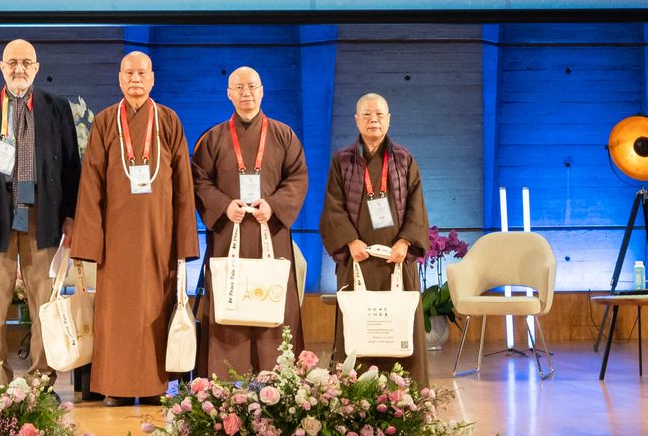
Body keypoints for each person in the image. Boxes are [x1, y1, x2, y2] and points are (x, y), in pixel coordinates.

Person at [69, 50, 199, 404]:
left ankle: (155, 386)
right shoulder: (106, 121)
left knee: (156, 310)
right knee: (116, 312)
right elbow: (91, 182)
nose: (136, 79)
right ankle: (116, 386)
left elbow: (183, 184)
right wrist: (90, 242)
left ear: (152, 78)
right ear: (119, 78)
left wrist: (184, 241)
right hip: (116, 236)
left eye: (142, 73)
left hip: (159, 235)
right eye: (129, 73)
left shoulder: (168, 120)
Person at [0, 38, 82, 386]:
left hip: (44, 217)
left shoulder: (57, 109)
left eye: (26, 62)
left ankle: (41, 380)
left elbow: (73, 169)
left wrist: (71, 217)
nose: (19, 69)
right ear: (1, 67)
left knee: (45, 304)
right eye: (12, 62)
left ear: (37, 68)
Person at [191, 66, 310, 378]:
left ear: (262, 91)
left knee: (274, 304)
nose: (246, 93)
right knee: (229, 303)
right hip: (228, 232)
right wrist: (222, 206)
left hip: (271, 232)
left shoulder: (284, 135)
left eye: (252, 87)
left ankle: (278, 377)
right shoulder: (212, 139)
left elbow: (297, 178)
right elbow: (198, 181)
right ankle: (225, 379)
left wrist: (274, 206)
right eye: (239, 88)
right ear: (229, 94)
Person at [319, 91, 430, 388]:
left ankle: (407, 397)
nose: (374, 120)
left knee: (401, 329)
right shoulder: (342, 161)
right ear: (357, 120)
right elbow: (333, 207)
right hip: (358, 259)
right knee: (357, 332)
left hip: (397, 260)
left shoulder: (404, 159)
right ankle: (352, 398)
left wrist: (405, 242)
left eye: (379, 114)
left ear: (389, 119)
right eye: (367, 115)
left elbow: (417, 206)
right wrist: (349, 241)